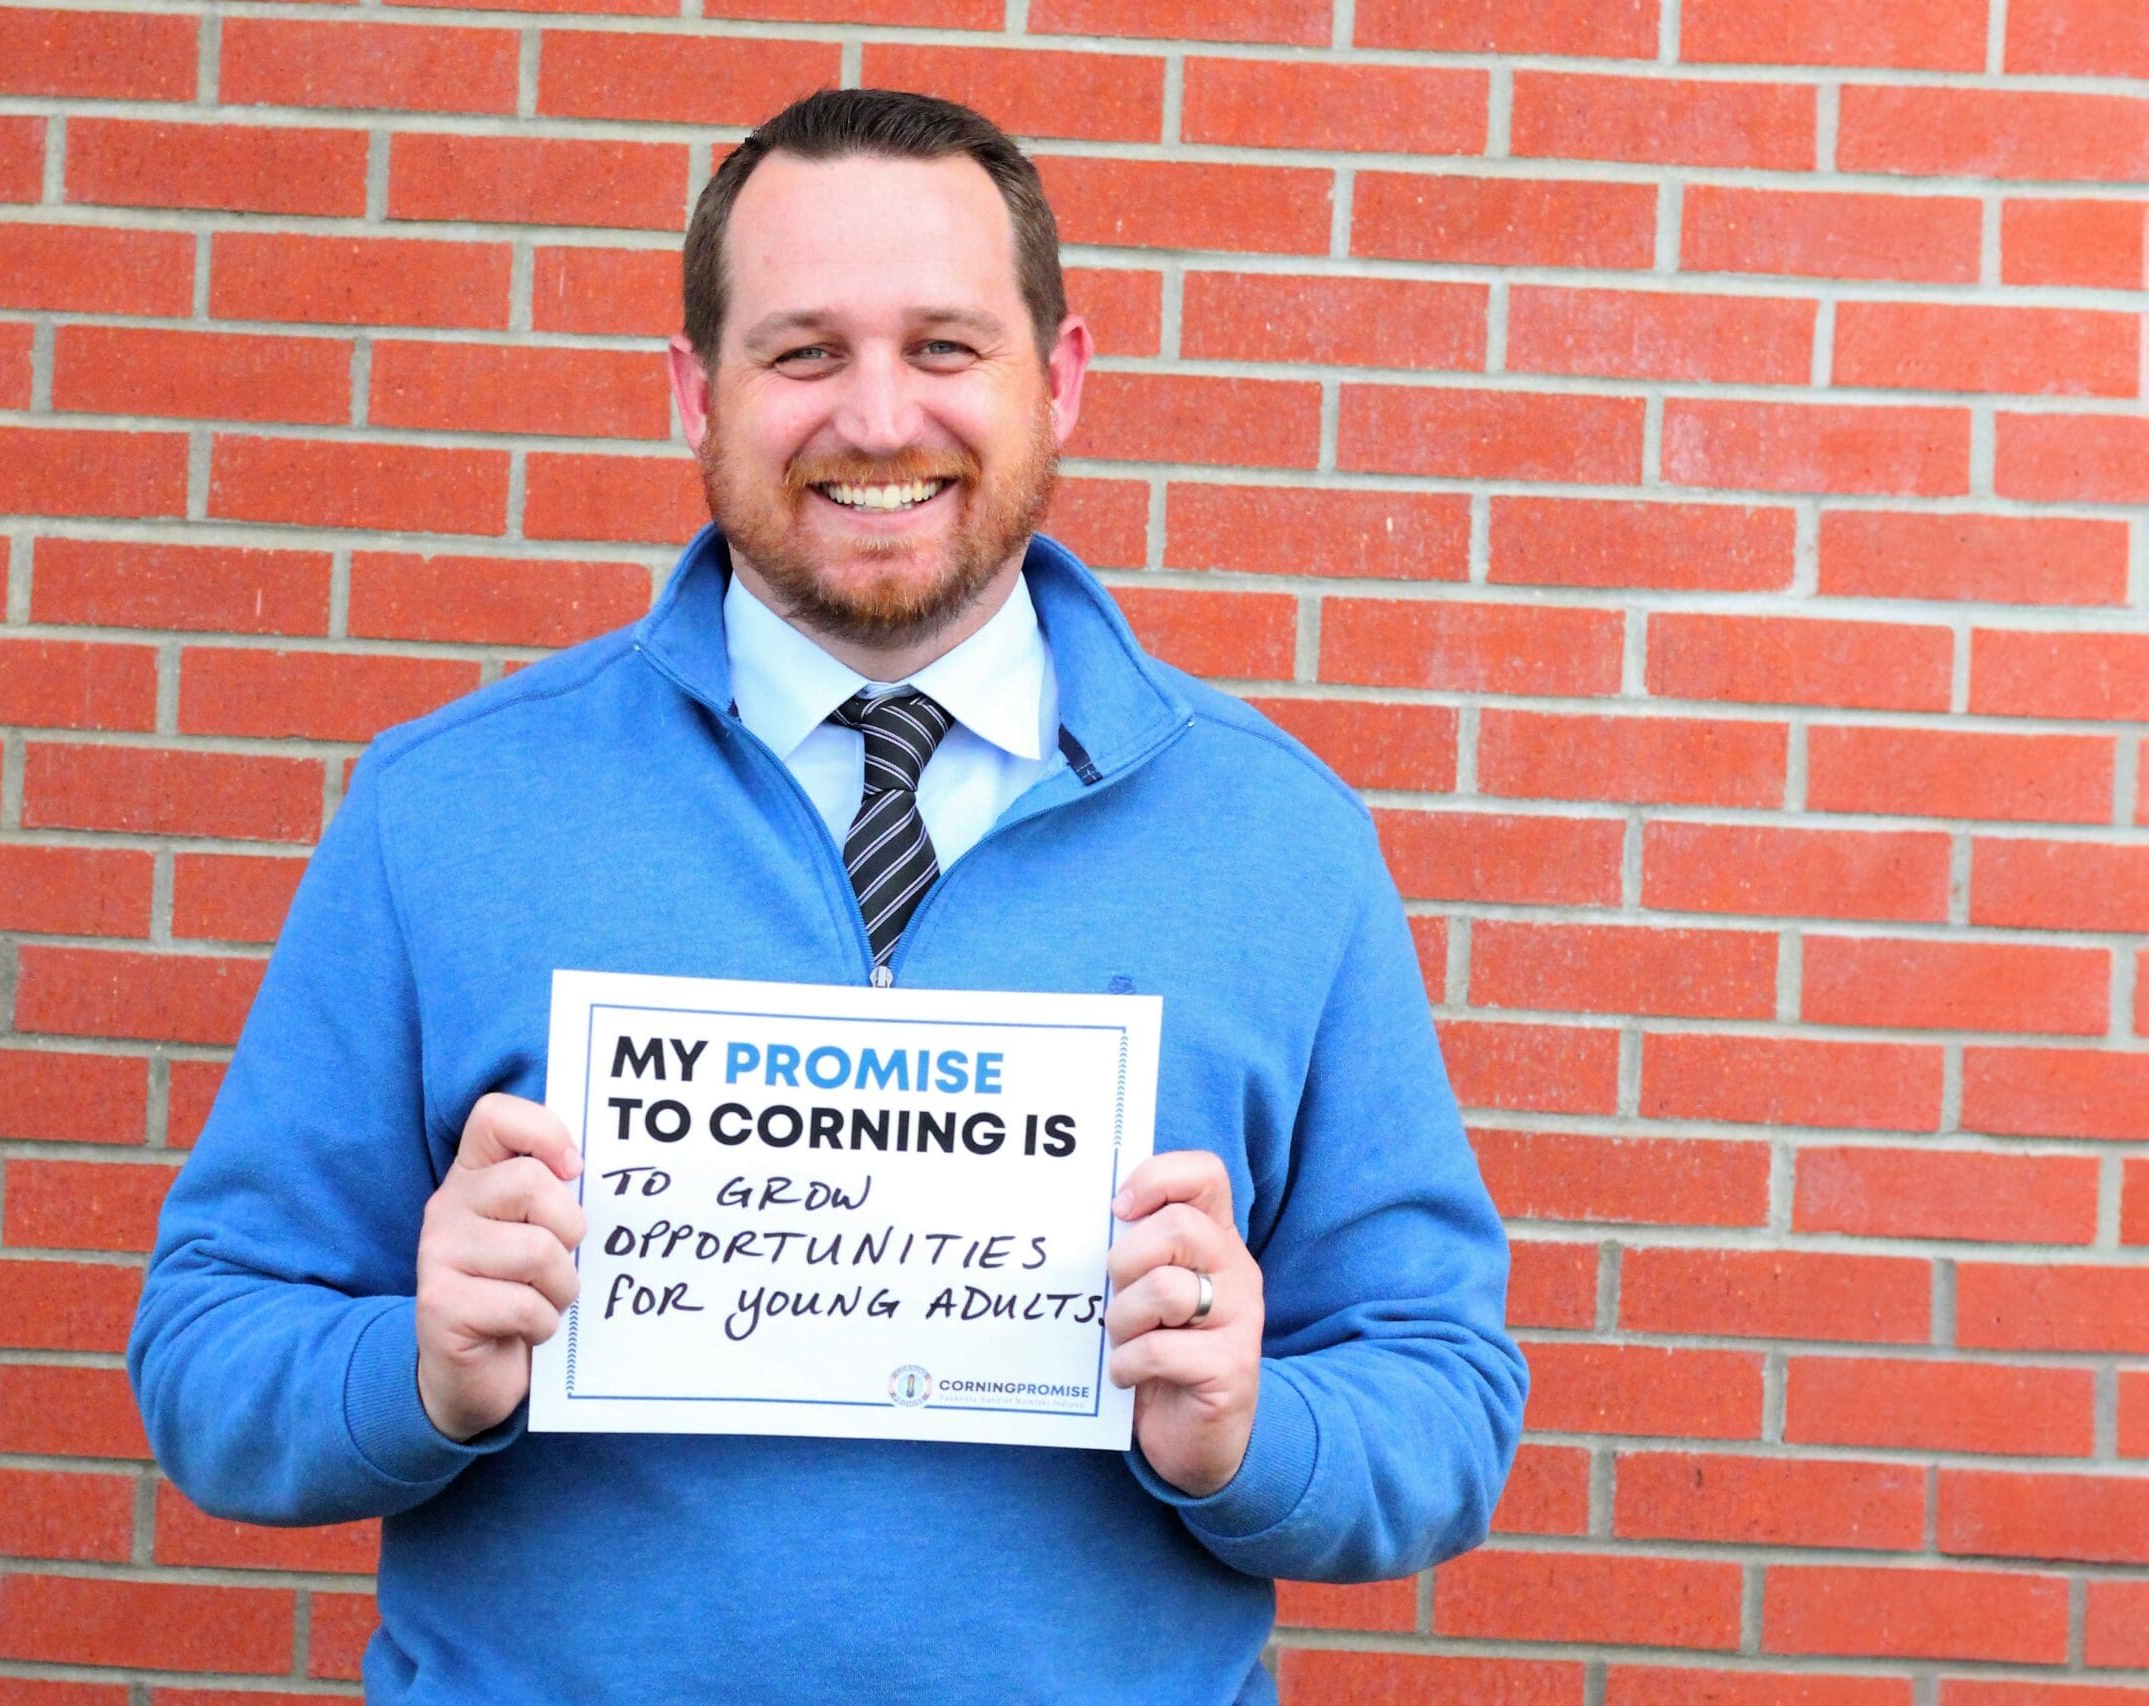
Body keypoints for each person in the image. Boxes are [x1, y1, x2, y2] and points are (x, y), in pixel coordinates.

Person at [128, 89, 1526, 1706]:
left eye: (945, 347)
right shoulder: (445, 812)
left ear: (1058, 378)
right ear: (692, 391)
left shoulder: (1283, 842)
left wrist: (1249, 1431)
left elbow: (1444, 1400)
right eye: (802, 354)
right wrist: (418, 1369)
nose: (876, 420)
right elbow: (206, 1359)